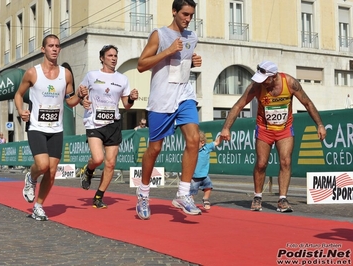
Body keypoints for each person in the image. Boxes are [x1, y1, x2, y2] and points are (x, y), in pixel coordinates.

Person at [220, 60, 327, 213]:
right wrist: (226, 128)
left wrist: (320, 125)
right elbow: (238, 105)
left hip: (285, 129)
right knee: (262, 163)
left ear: (273, 76)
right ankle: (257, 196)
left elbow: (307, 103)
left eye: (264, 80)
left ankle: (282, 199)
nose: (262, 83)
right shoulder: (257, 87)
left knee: (286, 161)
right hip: (264, 129)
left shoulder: (289, 83)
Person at [135, 0, 202, 220]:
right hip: (162, 99)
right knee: (155, 149)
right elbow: (141, 65)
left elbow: (180, 65)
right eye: (184, 14)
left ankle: (183, 194)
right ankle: (143, 194)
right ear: (174, 12)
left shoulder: (192, 37)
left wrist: (193, 62)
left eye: (191, 15)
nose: (188, 18)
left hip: (184, 95)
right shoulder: (159, 35)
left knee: (194, 140)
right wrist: (168, 50)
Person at [14, 34, 87, 221]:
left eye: (57, 46)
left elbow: (69, 102)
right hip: (37, 126)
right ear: (43, 49)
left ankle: (38, 206)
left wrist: (78, 96)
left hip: (56, 128)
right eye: (51, 46)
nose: (54, 49)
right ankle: (31, 178)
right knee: (43, 165)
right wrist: (21, 110)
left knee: (52, 172)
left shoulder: (66, 74)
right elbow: (18, 94)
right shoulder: (33, 73)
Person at [79, 44, 139, 209]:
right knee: (98, 159)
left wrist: (132, 98)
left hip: (113, 123)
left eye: (115, 56)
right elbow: (81, 93)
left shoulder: (122, 79)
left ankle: (98, 196)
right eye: (110, 56)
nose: (113, 59)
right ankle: (89, 170)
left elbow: (126, 105)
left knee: (111, 163)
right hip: (94, 122)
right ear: (102, 58)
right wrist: (82, 99)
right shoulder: (92, 75)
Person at [190, 131, 221, 210]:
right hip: (194, 176)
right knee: (192, 191)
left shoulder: (207, 148)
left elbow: (217, 142)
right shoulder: (191, 150)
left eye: (195, 142)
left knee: (208, 187)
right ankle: (190, 201)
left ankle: (205, 199)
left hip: (204, 175)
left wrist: (222, 136)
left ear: (202, 142)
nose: (192, 144)